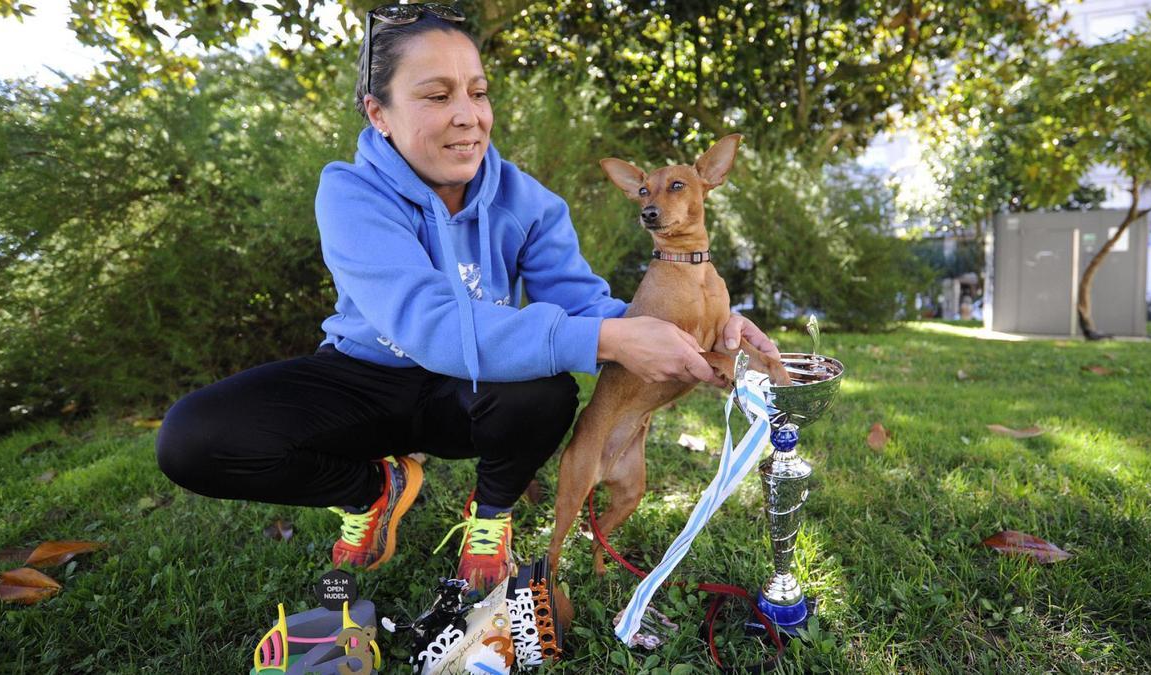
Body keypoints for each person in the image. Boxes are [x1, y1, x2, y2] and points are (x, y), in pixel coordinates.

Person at [155, 2, 780, 595]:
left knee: (546, 390)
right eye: (436, 95)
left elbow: (584, 306)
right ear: (379, 113)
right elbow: (428, 324)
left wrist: (693, 324)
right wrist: (608, 339)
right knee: (193, 438)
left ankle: (493, 511)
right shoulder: (349, 193)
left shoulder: (528, 203)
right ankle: (373, 485)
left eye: (478, 93)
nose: (468, 115)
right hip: (367, 376)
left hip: (469, 393)